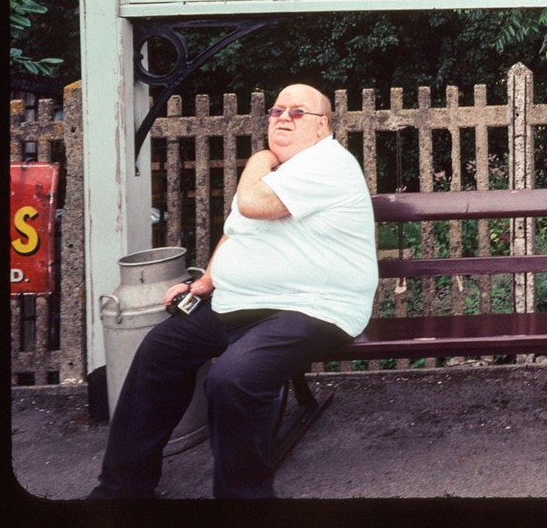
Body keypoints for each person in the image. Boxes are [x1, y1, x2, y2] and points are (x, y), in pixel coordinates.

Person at [89, 84, 378, 499]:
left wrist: (261, 156)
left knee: (233, 379)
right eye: (277, 110)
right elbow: (237, 231)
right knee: (159, 349)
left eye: (297, 113)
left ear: (322, 127)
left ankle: (243, 499)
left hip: (313, 308)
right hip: (240, 305)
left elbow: (252, 205)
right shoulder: (282, 172)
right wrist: (205, 282)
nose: (282, 117)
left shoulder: (328, 162)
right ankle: (122, 489)